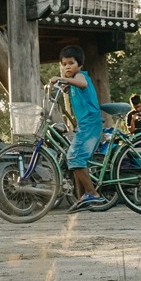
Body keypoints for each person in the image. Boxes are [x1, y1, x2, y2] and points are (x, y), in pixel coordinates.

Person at [54, 45, 106, 213]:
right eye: (64, 64)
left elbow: (82, 84)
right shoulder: (73, 83)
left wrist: (64, 80)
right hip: (84, 124)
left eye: (71, 63)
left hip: (91, 123)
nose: (67, 67)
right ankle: (80, 198)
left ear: (79, 65)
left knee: (74, 156)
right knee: (74, 159)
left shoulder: (81, 76)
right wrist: (66, 87)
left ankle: (92, 194)